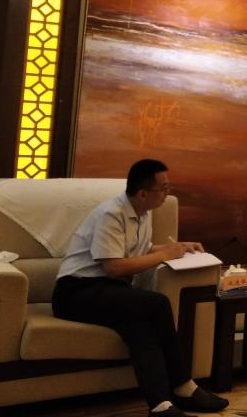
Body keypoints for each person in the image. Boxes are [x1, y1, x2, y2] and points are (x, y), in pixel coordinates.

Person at [52, 159, 228, 417]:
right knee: (157, 303)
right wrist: (165, 255)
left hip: (109, 291)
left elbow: (139, 250)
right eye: (163, 188)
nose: (167, 194)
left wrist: (179, 247)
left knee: (139, 328)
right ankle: (183, 386)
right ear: (143, 193)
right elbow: (113, 267)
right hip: (76, 292)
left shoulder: (143, 212)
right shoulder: (111, 214)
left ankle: (160, 405)